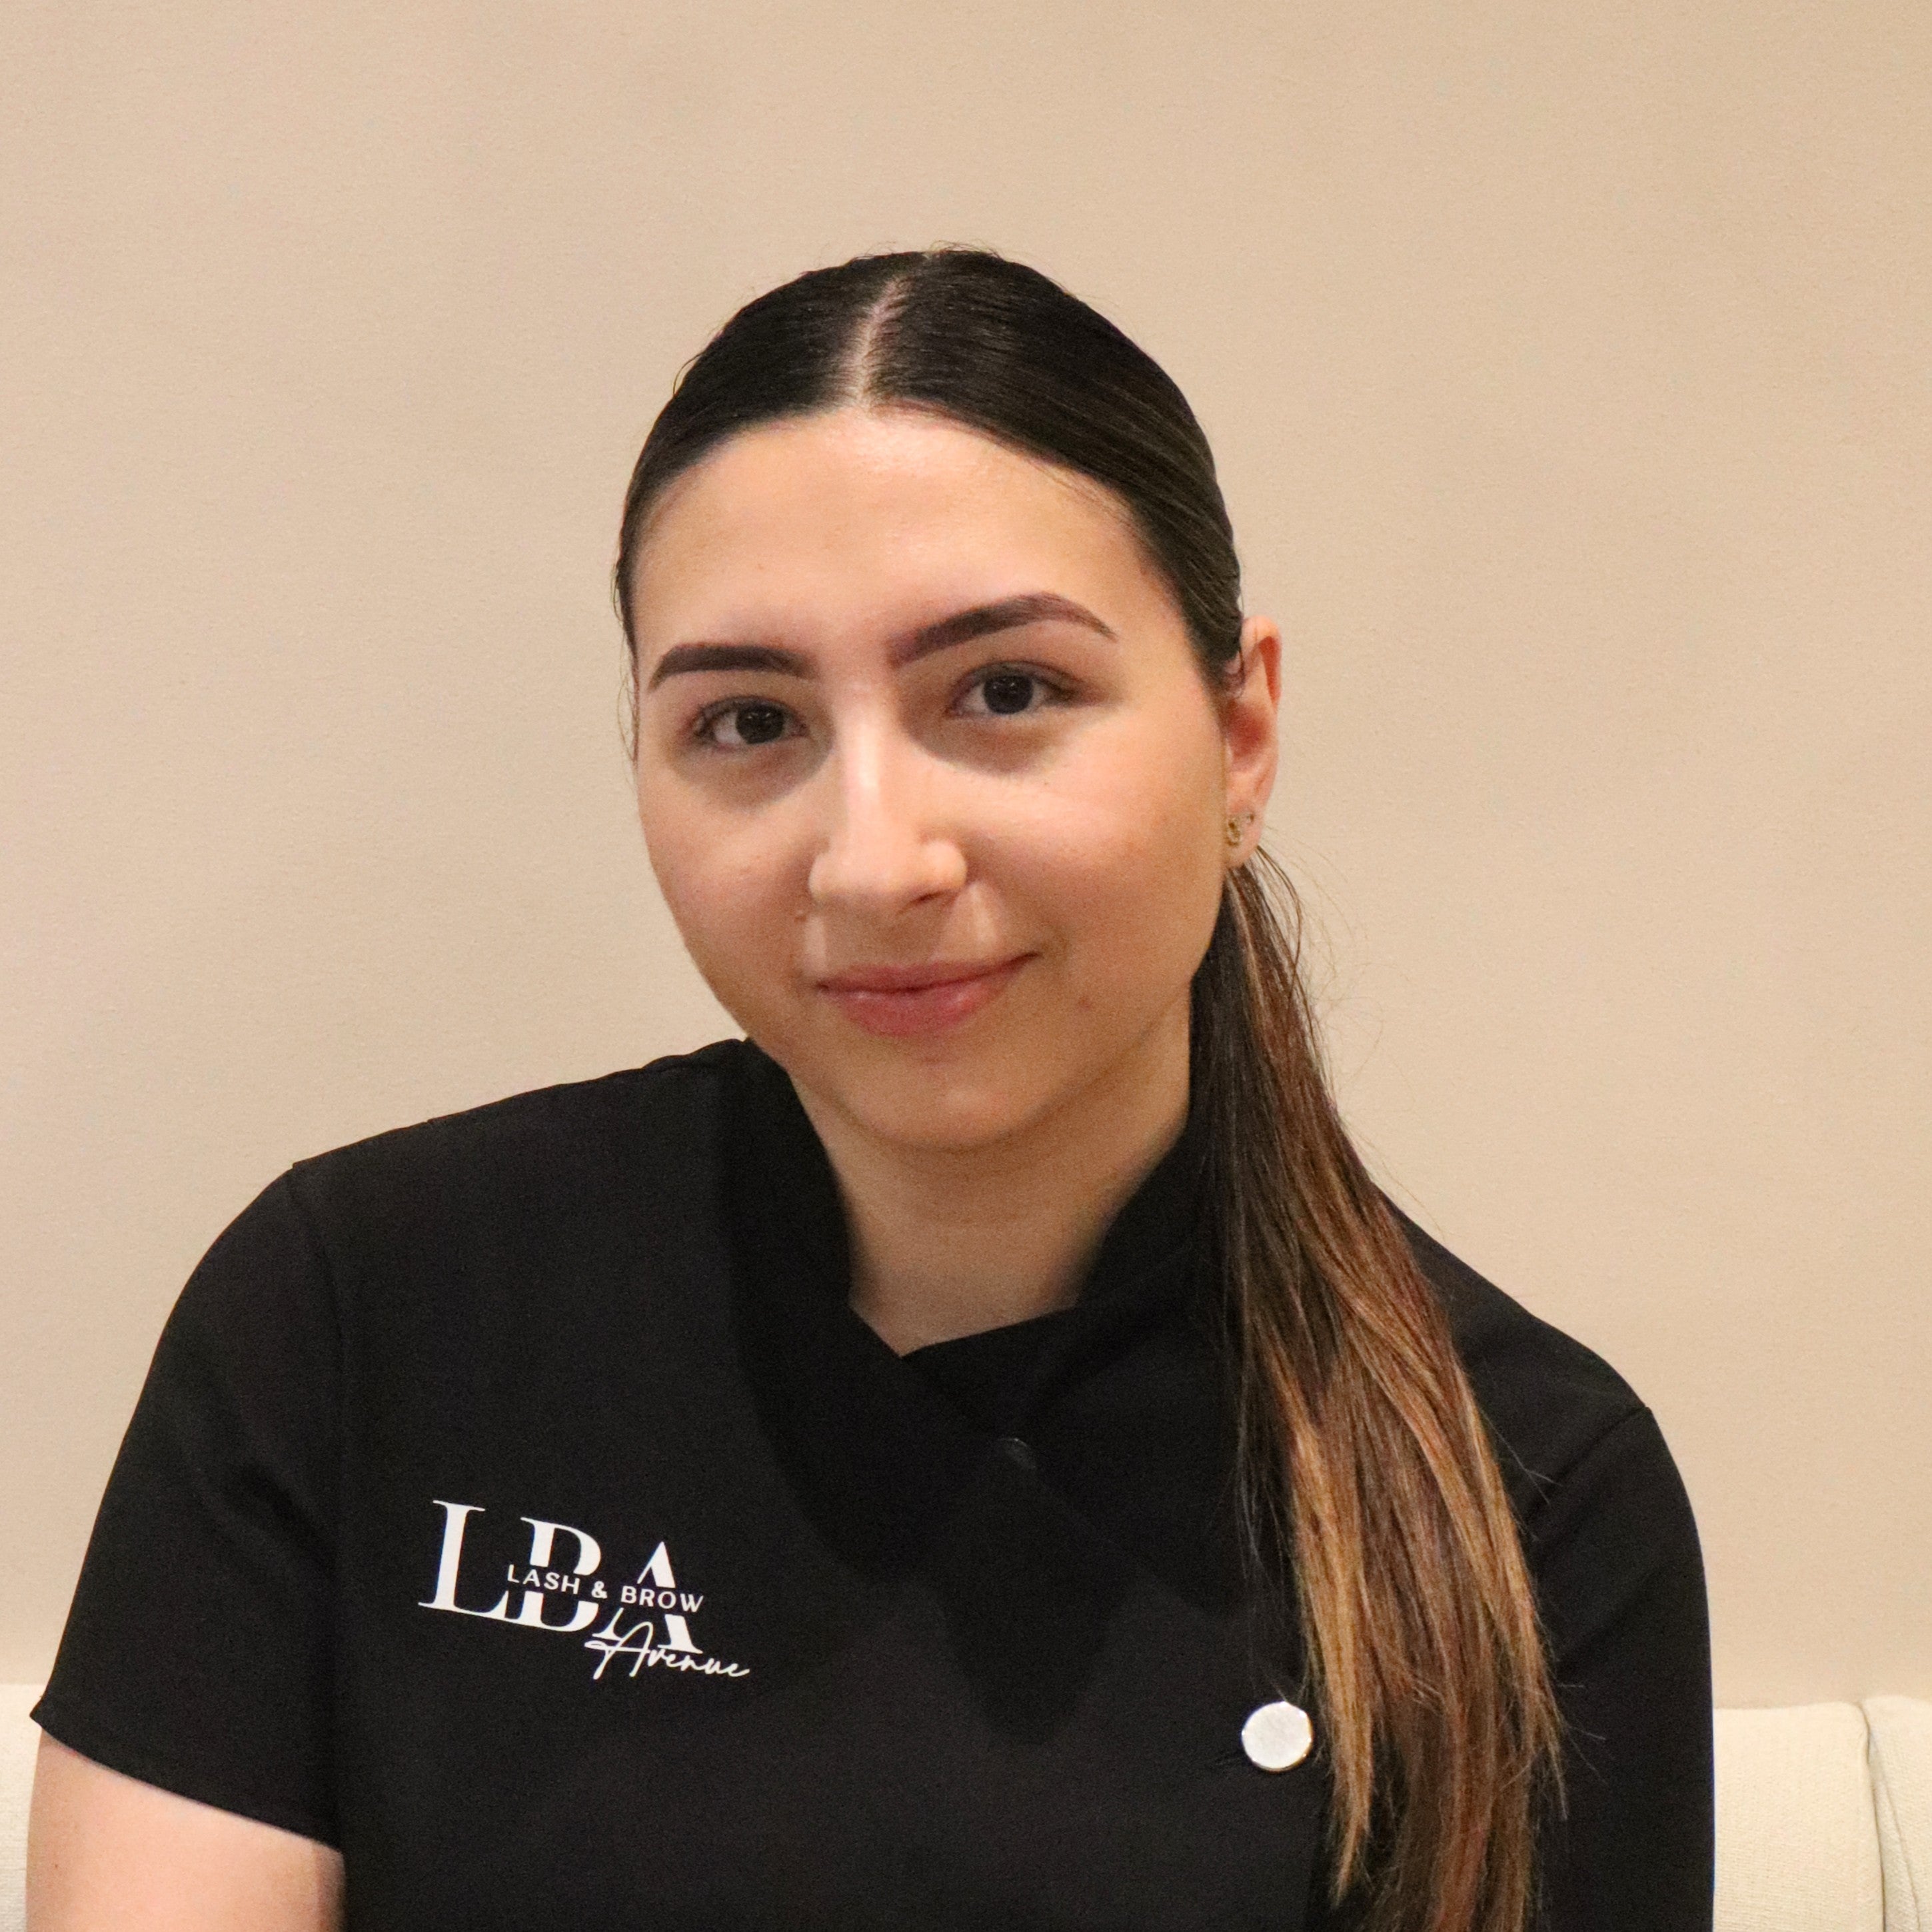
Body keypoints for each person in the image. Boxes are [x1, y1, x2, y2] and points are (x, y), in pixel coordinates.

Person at [25, 248, 1713, 1932]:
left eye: (1006, 692)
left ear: (1241, 736)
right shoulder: (363, 1313)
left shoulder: (1526, 1499)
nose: (875, 860)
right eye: (749, 722)